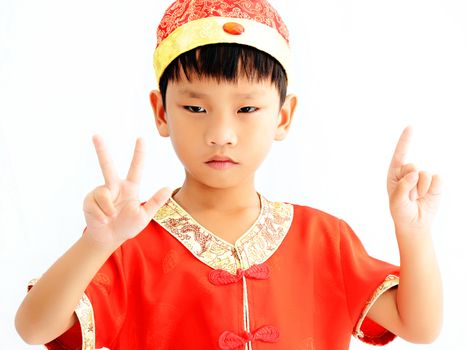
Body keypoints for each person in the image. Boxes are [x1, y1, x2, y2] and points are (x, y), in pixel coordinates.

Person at [15, 0, 443, 349]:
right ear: (162, 113)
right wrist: (97, 243)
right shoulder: (132, 245)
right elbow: (35, 330)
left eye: (247, 109)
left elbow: (420, 328)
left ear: (283, 116)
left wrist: (414, 233)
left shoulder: (324, 239)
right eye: (196, 109)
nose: (221, 135)